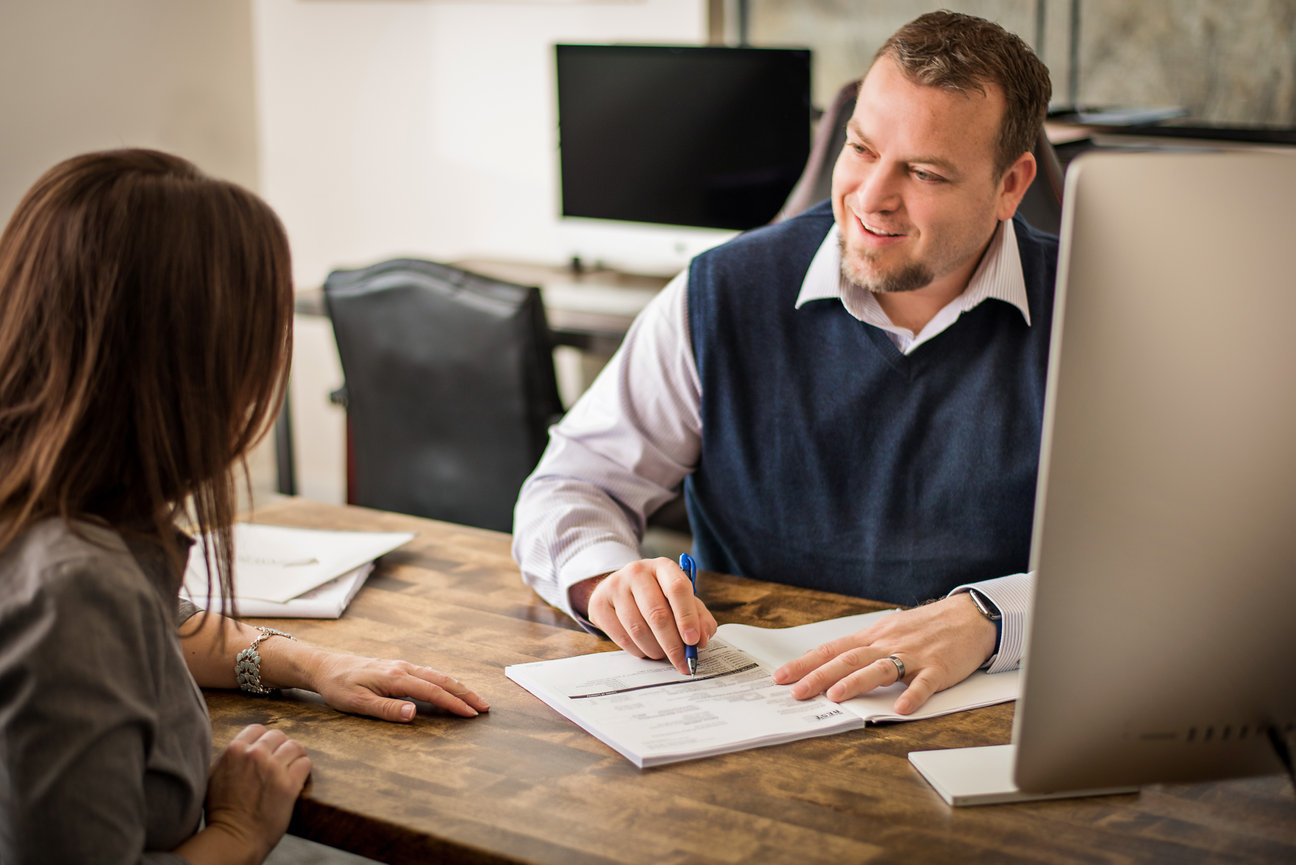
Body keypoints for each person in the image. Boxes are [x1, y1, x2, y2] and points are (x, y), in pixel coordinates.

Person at [513, 11, 1055, 716]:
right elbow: (571, 485)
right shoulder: (720, 292)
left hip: (993, 726)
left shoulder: (1103, 308)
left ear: (1011, 185)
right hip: (755, 714)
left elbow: (1174, 571)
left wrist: (992, 619)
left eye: (923, 172)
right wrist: (607, 576)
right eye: (861, 150)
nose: (871, 198)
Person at [0, 149, 490, 865]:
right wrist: (238, 830)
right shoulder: (73, 586)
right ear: (189, 369)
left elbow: (160, 631)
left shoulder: (50, 515)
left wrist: (315, 664)